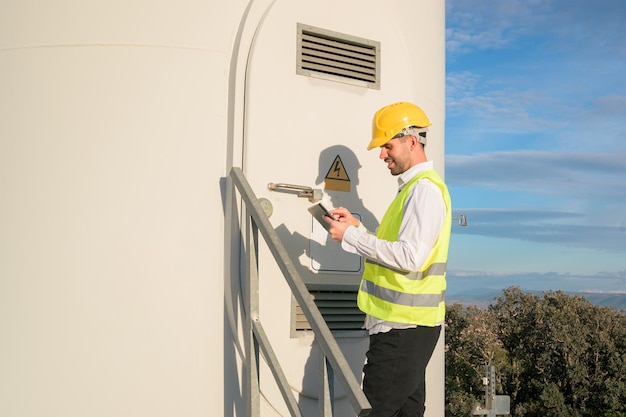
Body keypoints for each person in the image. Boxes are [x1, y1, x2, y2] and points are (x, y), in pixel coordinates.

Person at [324, 101, 452, 417]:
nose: (382, 154)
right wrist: (356, 229)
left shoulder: (423, 191)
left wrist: (352, 238)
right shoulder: (413, 190)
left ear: (412, 141)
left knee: (376, 411)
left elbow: (411, 257)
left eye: (387, 145)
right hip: (406, 326)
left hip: (403, 329)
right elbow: (399, 250)